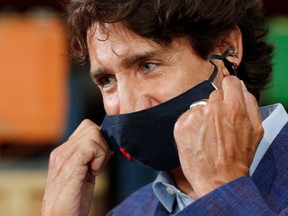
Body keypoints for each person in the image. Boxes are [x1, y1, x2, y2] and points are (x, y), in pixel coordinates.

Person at [41, 0, 288, 215]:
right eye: (107, 80)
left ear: (226, 50)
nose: (128, 106)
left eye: (148, 66)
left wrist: (222, 189)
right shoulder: (130, 212)